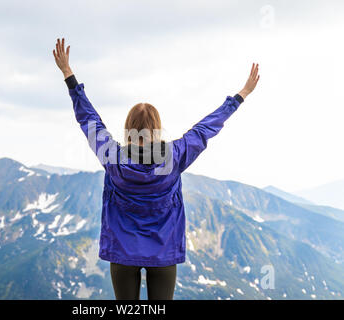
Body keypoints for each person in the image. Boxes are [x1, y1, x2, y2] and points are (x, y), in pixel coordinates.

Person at [52, 38, 260, 300]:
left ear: (129, 128)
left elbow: (88, 118)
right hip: (163, 253)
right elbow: (206, 128)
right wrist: (241, 95)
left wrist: (68, 75)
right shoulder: (175, 156)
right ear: (156, 128)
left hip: (123, 252)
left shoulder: (112, 157)